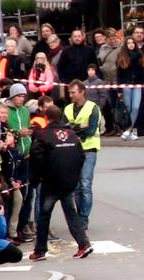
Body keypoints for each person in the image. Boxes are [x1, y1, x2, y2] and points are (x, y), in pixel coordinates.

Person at [29, 105, 93, 261]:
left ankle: (40, 250)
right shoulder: (71, 135)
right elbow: (81, 156)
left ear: (46, 118)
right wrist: (74, 175)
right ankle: (83, 243)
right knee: (71, 213)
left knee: (44, 215)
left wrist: (35, 180)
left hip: (51, 182)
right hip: (69, 182)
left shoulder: (43, 135)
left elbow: (37, 159)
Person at [62, 80, 102, 230]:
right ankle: (80, 217)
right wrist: (78, 127)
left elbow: (91, 130)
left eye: (73, 92)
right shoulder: (67, 109)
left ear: (82, 92)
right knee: (77, 186)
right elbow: (64, 131)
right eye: (70, 92)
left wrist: (73, 128)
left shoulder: (93, 108)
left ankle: (83, 218)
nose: (70, 95)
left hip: (89, 149)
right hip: (73, 150)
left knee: (85, 184)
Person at [117, 37, 144, 141]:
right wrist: (119, 90)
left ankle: (129, 130)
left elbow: (143, 73)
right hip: (126, 85)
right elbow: (119, 75)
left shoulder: (139, 56)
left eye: (132, 43)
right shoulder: (122, 57)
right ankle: (127, 129)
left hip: (137, 85)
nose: (131, 44)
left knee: (135, 108)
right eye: (128, 43)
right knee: (128, 108)